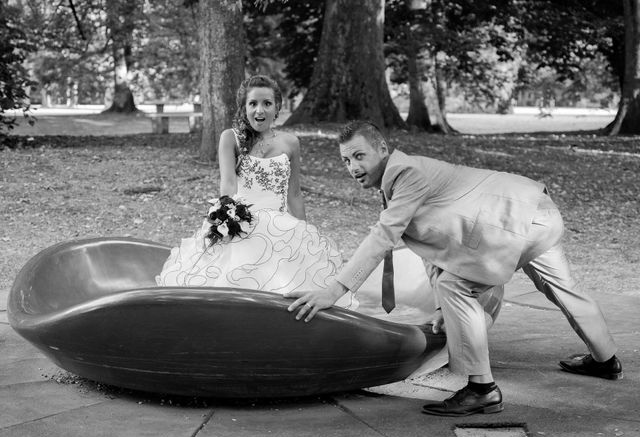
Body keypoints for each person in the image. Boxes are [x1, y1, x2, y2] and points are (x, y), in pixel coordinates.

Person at [286, 120, 622, 417]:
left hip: (517, 220)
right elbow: (434, 250)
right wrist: (439, 308)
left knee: (454, 287)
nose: (352, 166)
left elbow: (383, 236)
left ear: (383, 149)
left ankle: (482, 389)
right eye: (346, 160)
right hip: (535, 212)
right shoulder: (401, 179)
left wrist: (335, 290)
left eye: (359, 156)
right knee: (562, 288)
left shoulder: (406, 174)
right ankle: (606, 359)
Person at [156, 75, 354, 309]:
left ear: (277, 107)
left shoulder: (290, 142)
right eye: (253, 104)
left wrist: (305, 235)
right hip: (243, 224)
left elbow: (295, 194)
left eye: (267, 103)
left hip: (282, 228)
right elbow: (228, 184)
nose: (260, 110)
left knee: (290, 287)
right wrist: (228, 220)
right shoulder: (230, 138)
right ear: (244, 107)